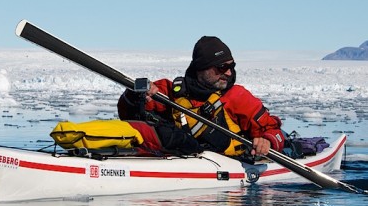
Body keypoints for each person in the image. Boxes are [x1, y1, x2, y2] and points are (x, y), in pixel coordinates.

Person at [118, 36, 285, 158]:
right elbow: (126, 113)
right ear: (201, 68)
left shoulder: (237, 97)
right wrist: (136, 95)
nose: (228, 72)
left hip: (233, 166)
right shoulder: (170, 91)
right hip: (187, 158)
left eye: (231, 66)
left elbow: (273, 131)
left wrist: (267, 141)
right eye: (221, 67)